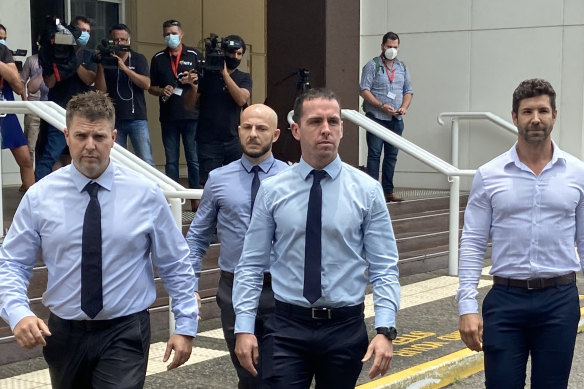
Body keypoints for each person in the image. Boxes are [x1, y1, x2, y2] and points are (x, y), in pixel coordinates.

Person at [0, 91, 199, 388]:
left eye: (99, 137)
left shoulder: (145, 193)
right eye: (81, 136)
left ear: (114, 137)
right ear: (67, 136)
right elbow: (13, 262)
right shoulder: (40, 196)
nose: (90, 146)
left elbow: (174, 261)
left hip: (125, 330)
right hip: (64, 333)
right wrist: (17, 312)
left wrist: (185, 326)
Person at [232, 88, 400, 388]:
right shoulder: (273, 191)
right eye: (315, 122)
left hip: (345, 328)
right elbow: (251, 264)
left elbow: (384, 265)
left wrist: (385, 329)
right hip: (286, 326)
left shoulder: (367, 190)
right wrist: (244, 327)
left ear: (342, 128)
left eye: (333, 121)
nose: (326, 129)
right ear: (295, 130)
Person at [456, 78, 583, 388]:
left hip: (559, 300)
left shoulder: (578, 173)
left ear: (555, 115)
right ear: (515, 117)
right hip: (506, 301)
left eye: (542, 110)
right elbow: (472, 242)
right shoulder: (489, 175)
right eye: (527, 111)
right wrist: (467, 307)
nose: (535, 119)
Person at [186, 104, 287, 388]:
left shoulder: (292, 179)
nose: (253, 134)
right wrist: (190, 286)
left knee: (277, 376)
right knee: (249, 374)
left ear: (276, 135)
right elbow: (197, 236)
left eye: (262, 128)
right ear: (239, 130)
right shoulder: (218, 179)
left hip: (281, 289)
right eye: (247, 127)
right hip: (233, 289)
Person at [183, 34, 252, 185]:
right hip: (208, 141)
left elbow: (241, 99)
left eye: (239, 54)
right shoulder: (205, 74)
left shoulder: (244, 77)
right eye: (231, 52)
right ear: (223, 52)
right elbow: (188, 106)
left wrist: (225, 74)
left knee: (235, 183)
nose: (235, 56)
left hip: (233, 139)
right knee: (209, 185)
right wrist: (193, 87)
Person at [36, 16, 97, 181]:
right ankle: (38, 192)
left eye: (88, 31)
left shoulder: (88, 55)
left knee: (79, 155)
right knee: (51, 156)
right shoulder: (56, 52)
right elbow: (49, 82)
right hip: (59, 112)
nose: (84, 34)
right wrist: (58, 59)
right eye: (81, 30)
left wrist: (73, 60)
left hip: (82, 113)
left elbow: (89, 79)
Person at [149, 19, 202, 204]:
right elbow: (151, 87)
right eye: (167, 34)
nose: (170, 37)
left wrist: (193, 82)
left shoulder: (194, 54)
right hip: (168, 115)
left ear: (181, 34)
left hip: (191, 114)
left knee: (193, 158)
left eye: (173, 33)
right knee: (171, 160)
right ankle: (174, 198)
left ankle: (195, 198)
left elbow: (203, 82)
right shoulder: (158, 58)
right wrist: (161, 90)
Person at [360, 31, 413, 202]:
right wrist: (381, 106)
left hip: (396, 119)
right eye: (389, 46)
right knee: (374, 155)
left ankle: (388, 191)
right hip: (376, 117)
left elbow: (408, 91)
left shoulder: (402, 67)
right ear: (382, 46)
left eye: (395, 47)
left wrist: (404, 107)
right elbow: (364, 90)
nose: (392, 50)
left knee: (392, 155)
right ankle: (373, 192)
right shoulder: (372, 65)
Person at [94, 23, 154, 166]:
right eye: (115, 40)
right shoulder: (107, 60)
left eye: (122, 39)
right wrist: (101, 66)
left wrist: (125, 69)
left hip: (136, 117)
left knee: (145, 159)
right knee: (117, 160)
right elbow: (100, 92)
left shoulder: (138, 59)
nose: (119, 43)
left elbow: (146, 84)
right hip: (114, 118)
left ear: (128, 40)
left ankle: (154, 188)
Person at [0, 25, 35, 191]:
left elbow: (19, 87)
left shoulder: (3, 52)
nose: (2, 41)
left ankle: (33, 204)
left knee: (25, 159)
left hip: (6, 111)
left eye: (4, 38)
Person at [20, 36, 49, 165]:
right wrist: (26, 102)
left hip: (51, 108)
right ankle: (30, 180)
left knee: (47, 147)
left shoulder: (56, 61)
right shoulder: (31, 60)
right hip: (34, 108)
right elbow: (21, 82)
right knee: (30, 146)